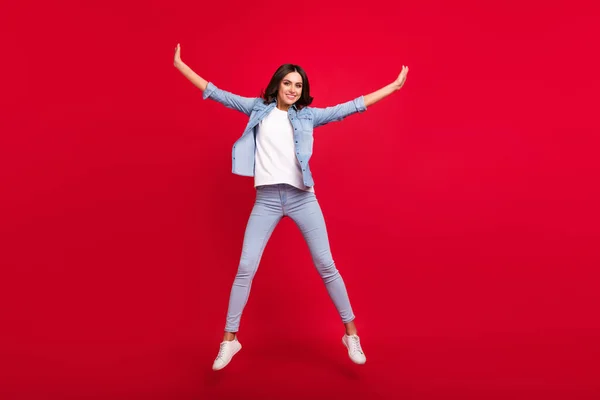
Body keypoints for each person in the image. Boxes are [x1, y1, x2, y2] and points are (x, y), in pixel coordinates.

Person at [173, 43, 409, 370]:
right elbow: (217, 93)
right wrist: (180, 66)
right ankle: (230, 340)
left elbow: (351, 106)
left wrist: (393, 87)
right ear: (278, 84)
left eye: (299, 85)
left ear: (303, 90)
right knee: (246, 267)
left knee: (326, 264)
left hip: (302, 198)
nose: (293, 90)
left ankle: (350, 333)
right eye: (288, 83)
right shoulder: (257, 108)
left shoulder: (309, 117)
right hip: (267, 200)